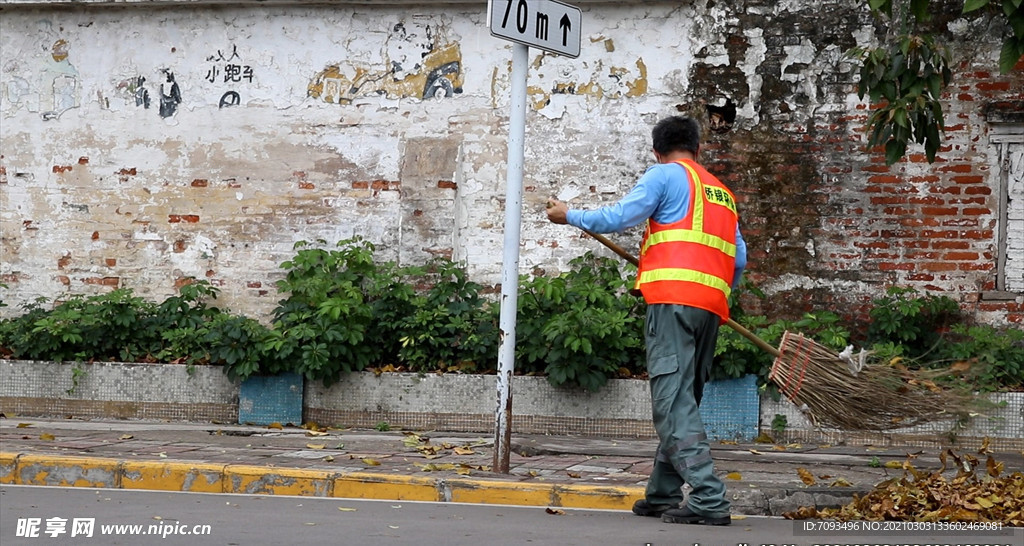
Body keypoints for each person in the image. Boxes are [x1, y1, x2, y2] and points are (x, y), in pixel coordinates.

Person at [545, 115, 746, 526]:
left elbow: (622, 215)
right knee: (683, 400)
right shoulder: (723, 193)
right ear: (699, 149)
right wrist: (716, 296)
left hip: (672, 300)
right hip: (710, 307)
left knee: (672, 402)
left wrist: (571, 215)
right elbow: (739, 259)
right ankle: (662, 494)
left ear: (658, 150)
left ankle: (709, 498)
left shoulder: (664, 175)